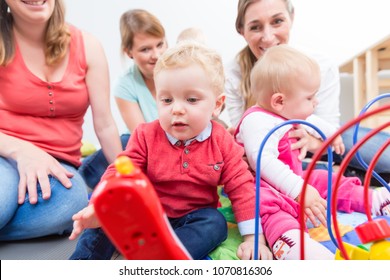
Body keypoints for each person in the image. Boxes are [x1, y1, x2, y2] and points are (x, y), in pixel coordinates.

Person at [69, 42, 273, 260]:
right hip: (146, 214)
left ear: (217, 104)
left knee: (215, 223)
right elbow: (119, 171)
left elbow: (242, 188)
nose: (176, 108)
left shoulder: (222, 142)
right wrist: (99, 206)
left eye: (191, 99)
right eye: (166, 100)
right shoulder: (145, 135)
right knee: (107, 216)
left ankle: (160, 260)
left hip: (192, 218)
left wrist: (254, 239)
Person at [235, 45, 390, 259]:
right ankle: (294, 246)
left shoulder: (283, 112)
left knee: (325, 179)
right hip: (265, 190)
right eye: (310, 98)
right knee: (270, 212)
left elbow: (310, 118)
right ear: (279, 101)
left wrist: (331, 134)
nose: (315, 102)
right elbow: (263, 162)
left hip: (295, 179)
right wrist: (300, 190)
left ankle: (375, 200)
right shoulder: (257, 121)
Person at [225, 0, 390, 182]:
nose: (268, 37)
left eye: (277, 21)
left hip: (319, 141)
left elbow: (329, 129)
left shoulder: (321, 64)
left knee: (376, 151)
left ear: (291, 17)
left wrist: (313, 143)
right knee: (273, 167)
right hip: (278, 154)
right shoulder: (234, 73)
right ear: (241, 30)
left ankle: (339, 172)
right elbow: (249, 152)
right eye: (255, 27)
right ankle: (341, 174)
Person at [0, 0, 122, 240]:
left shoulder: (88, 46)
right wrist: (21, 150)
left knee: (72, 203)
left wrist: (128, 173)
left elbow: (105, 123)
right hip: (5, 154)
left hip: (59, 165)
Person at [79, 9, 168, 189]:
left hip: (176, 144)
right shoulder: (125, 85)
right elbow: (145, 137)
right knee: (126, 141)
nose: (156, 55)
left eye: (160, 44)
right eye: (145, 49)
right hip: (148, 149)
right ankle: (82, 177)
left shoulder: (179, 72)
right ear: (129, 52)